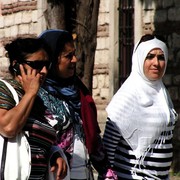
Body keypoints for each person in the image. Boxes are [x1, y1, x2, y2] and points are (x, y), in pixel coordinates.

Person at [38, 29, 116, 180]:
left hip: (84, 173)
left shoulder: (78, 90)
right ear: (52, 59)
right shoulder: (38, 95)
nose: (74, 60)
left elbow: (92, 135)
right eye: (68, 56)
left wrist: (106, 171)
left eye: (74, 54)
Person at [102, 34, 178, 179]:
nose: (156, 63)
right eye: (150, 57)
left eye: (161, 57)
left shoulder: (162, 95)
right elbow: (108, 145)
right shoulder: (128, 95)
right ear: (139, 59)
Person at [0, 37, 67, 179]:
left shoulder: (38, 101)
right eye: (36, 64)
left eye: (46, 65)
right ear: (17, 65)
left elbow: (37, 143)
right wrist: (30, 93)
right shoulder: (4, 89)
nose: (43, 71)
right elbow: (8, 128)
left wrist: (54, 153)